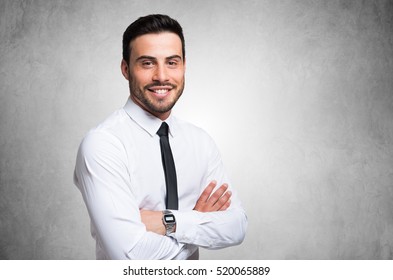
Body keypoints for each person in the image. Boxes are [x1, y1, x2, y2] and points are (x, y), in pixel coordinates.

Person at [74, 14, 247, 260]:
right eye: (147, 63)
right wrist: (196, 222)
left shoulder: (200, 142)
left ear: (184, 65)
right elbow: (130, 257)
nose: (162, 76)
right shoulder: (104, 145)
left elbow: (237, 226)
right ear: (126, 69)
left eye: (172, 62)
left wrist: (168, 222)